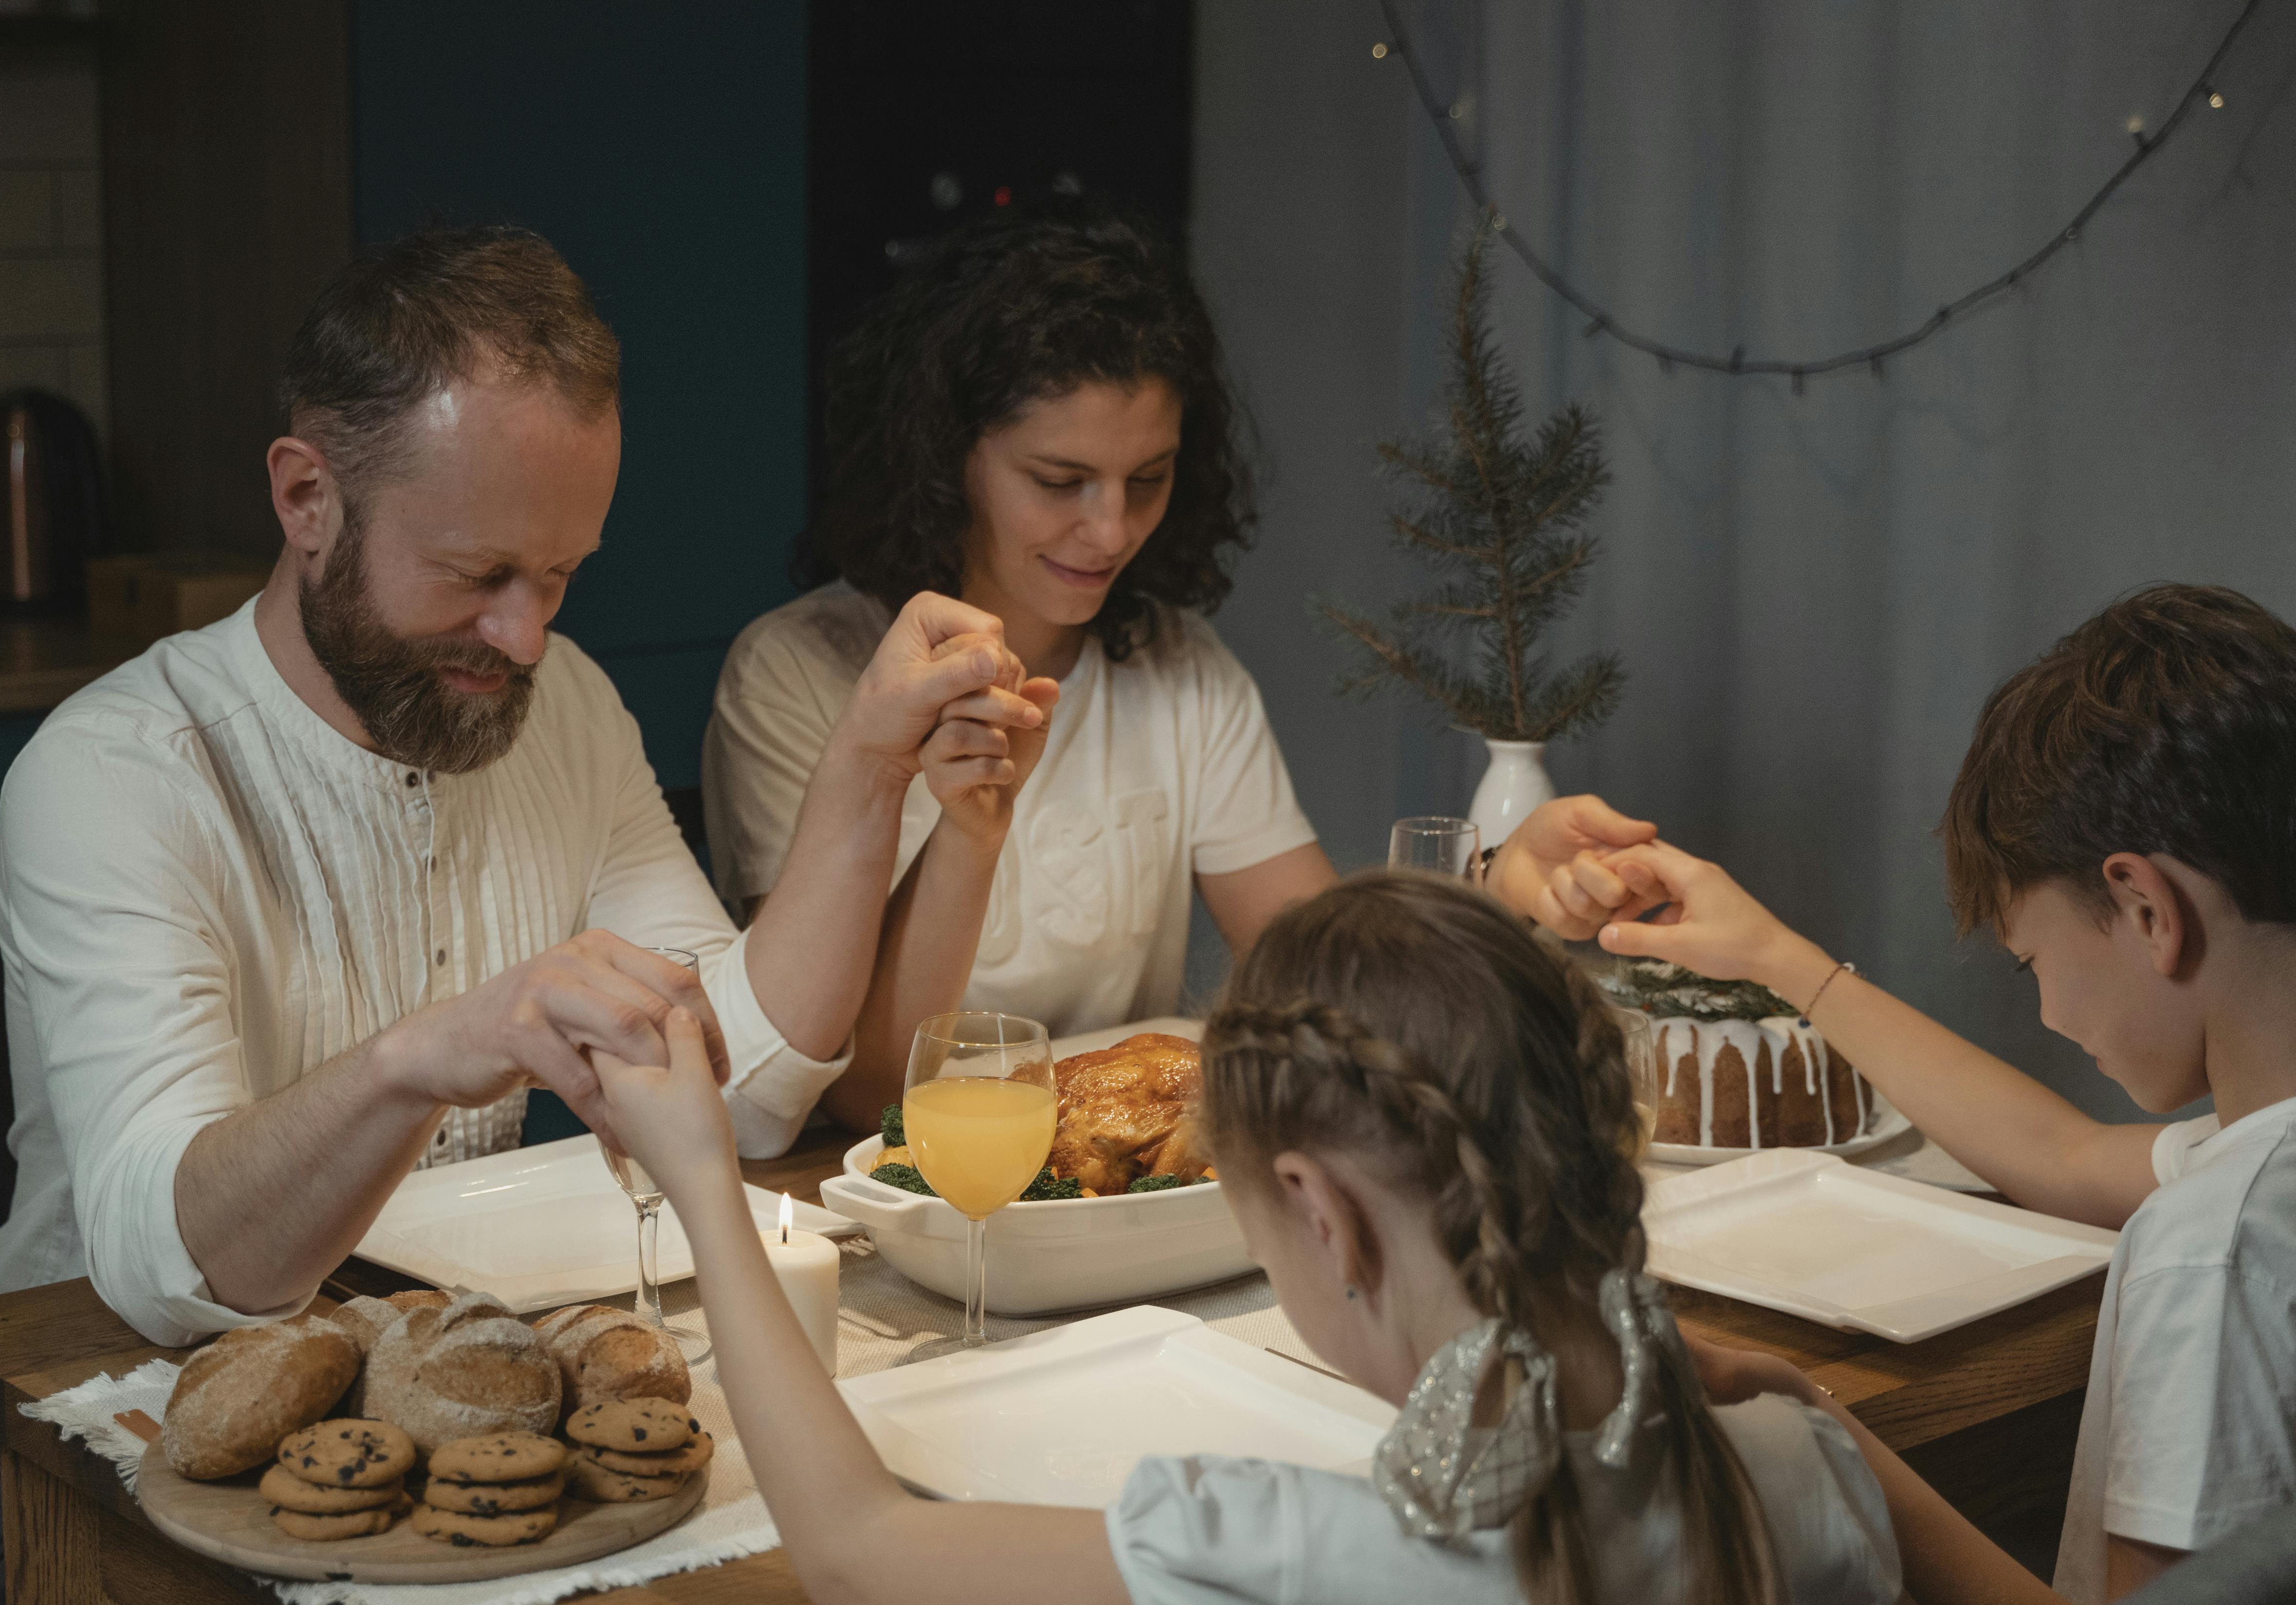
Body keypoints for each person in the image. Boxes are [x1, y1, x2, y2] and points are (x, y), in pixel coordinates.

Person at [0, 227, 1033, 1605]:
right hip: (75, 1443)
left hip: (444, 1389)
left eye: (562, 573)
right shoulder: (116, 776)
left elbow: (751, 1091)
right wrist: (421, 1053)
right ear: (308, 500)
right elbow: (182, 1270)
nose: (525, 635)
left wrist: (866, 771)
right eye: (477, 575)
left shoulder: (559, 706)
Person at [590, 871, 1896, 1605]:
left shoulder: (1302, 1554)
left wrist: (708, 1184)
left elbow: (855, 1551)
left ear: (1321, 1214)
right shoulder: (1797, 1472)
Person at [703, 206, 1661, 1126]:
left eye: (1147, 479)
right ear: (945, 454)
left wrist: (1491, 887)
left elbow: (1320, 970)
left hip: (1122, 1180)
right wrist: (967, 834)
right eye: (1059, 481)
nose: (1110, 530)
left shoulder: (1179, 665)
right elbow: (866, 1097)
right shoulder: (797, 673)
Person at [1601, 585, 2296, 1605]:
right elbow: (2058, 1155)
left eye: (2031, 966)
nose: (2049, 1014)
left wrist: (1833, 1440)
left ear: (2147, 911)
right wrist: (1781, 959)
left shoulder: (2220, 1249)